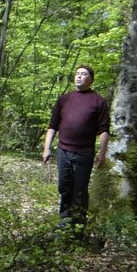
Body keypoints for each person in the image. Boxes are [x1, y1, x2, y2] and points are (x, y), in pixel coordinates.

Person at [42, 65, 110, 231]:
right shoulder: (64, 99)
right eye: (77, 73)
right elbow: (53, 126)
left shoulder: (98, 101)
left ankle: (78, 227)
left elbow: (104, 130)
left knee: (79, 190)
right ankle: (64, 224)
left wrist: (102, 154)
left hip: (84, 154)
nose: (79, 76)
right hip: (63, 151)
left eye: (84, 74)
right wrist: (47, 148)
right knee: (64, 187)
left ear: (91, 79)